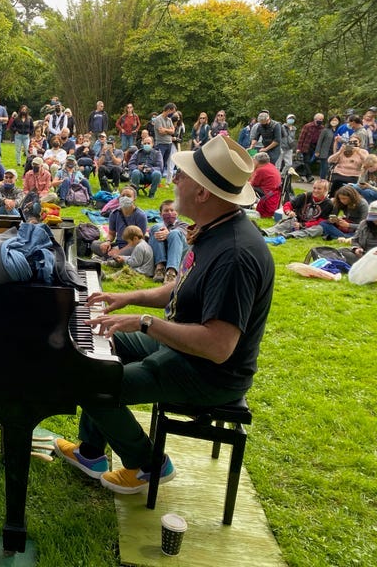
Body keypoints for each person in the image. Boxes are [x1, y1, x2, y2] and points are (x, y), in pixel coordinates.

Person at [54, 134, 274, 494]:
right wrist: (132, 298)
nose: (174, 180)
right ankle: (92, 452)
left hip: (209, 373)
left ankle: (148, 464)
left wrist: (145, 323)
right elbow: (184, 287)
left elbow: (219, 346)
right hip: (184, 350)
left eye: (182, 174)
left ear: (203, 192)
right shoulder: (217, 229)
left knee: (92, 384)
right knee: (93, 346)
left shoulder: (235, 254)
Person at [262, 179, 333, 238]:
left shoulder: (328, 204)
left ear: (325, 190)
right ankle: (266, 232)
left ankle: (290, 235)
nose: (316, 190)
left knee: (319, 229)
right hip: (297, 221)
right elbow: (288, 205)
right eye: (314, 188)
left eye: (319, 189)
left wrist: (303, 225)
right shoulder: (304, 196)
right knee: (289, 222)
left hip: (311, 226)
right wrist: (289, 212)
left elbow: (321, 221)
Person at [90, 186, 147, 259]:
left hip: (133, 245)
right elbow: (111, 234)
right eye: (123, 195)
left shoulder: (140, 215)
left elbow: (140, 240)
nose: (125, 198)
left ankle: (115, 257)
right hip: (118, 244)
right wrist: (107, 242)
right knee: (94, 244)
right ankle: (115, 257)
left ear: (134, 199)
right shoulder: (114, 213)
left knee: (136, 250)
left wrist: (120, 251)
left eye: (128, 196)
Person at [148, 199, 189, 285]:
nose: (169, 213)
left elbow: (182, 235)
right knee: (156, 228)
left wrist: (168, 233)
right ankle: (160, 268)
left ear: (177, 212)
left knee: (175, 233)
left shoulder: (184, 225)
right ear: (160, 214)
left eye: (172, 210)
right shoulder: (159, 226)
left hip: (178, 254)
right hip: (163, 253)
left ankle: (171, 272)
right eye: (166, 211)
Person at [248, 152, 282, 218]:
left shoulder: (261, 170)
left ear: (257, 161)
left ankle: (247, 203)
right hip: (274, 192)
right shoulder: (271, 166)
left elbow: (253, 183)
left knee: (247, 186)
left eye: (253, 160)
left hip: (267, 193)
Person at [296, 113, 326, 180]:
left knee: (311, 161)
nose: (320, 120)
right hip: (307, 145)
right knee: (306, 160)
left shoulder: (323, 128)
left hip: (316, 147)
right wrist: (299, 148)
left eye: (322, 119)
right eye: (319, 119)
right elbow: (301, 137)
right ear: (315, 119)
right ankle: (309, 176)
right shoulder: (308, 126)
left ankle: (301, 173)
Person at [153, 103, 178, 167]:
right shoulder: (158, 119)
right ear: (169, 110)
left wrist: (165, 130)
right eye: (173, 112)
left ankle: (161, 176)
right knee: (159, 163)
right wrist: (169, 130)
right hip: (161, 144)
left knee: (164, 163)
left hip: (169, 144)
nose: (173, 114)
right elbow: (161, 132)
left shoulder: (169, 119)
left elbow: (173, 131)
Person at [315, 116, 338, 181]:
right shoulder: (325, 130)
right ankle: (322, 180)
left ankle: (328, 180)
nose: (334, 122)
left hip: (334, 152)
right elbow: (320, 141)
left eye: (336, 120)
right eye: (333, 120)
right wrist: (317, 151)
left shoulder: (339, 130)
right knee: (324, 167)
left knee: (331, 168)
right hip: (325, 152)